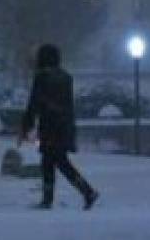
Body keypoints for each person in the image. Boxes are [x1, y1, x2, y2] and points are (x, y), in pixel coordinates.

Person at [19, 43, 99, 210]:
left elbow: (35, 103)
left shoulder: (42, 77)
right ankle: (81, 192)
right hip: (64, 127)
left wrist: (27, 126)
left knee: (54, 163)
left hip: (49, 127)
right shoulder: (65, 77)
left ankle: (82, 192)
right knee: (56, 162)